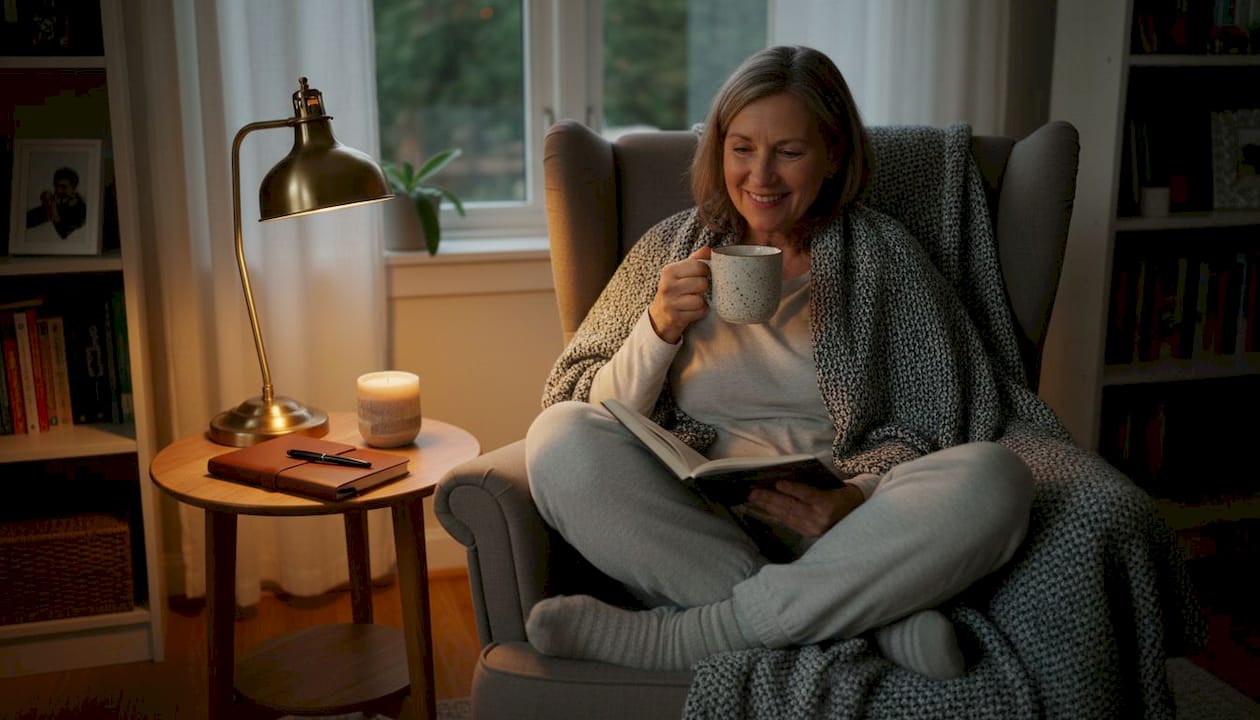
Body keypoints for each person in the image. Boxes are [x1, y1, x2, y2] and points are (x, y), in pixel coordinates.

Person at [523, 45, 1065, 681]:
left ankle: (694, 634)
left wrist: (853, 499)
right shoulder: (670, 248)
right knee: (557, 436)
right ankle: (876, 619)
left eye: (789, 151)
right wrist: (659, 327)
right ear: (719, 150)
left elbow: (942, 415)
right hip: (695, 526)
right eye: (743, 147)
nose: (762, 176)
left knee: (996, 477)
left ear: (833, 155)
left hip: (845, 530)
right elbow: (592, 405)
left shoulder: (884, 256)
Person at [26, 166, 87, 239]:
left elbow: (64, 234)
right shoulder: (56, 202)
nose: (58, 190)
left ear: (73, 187)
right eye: (56, 186)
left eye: (63, 187)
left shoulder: (80, 210)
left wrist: (52, 207)